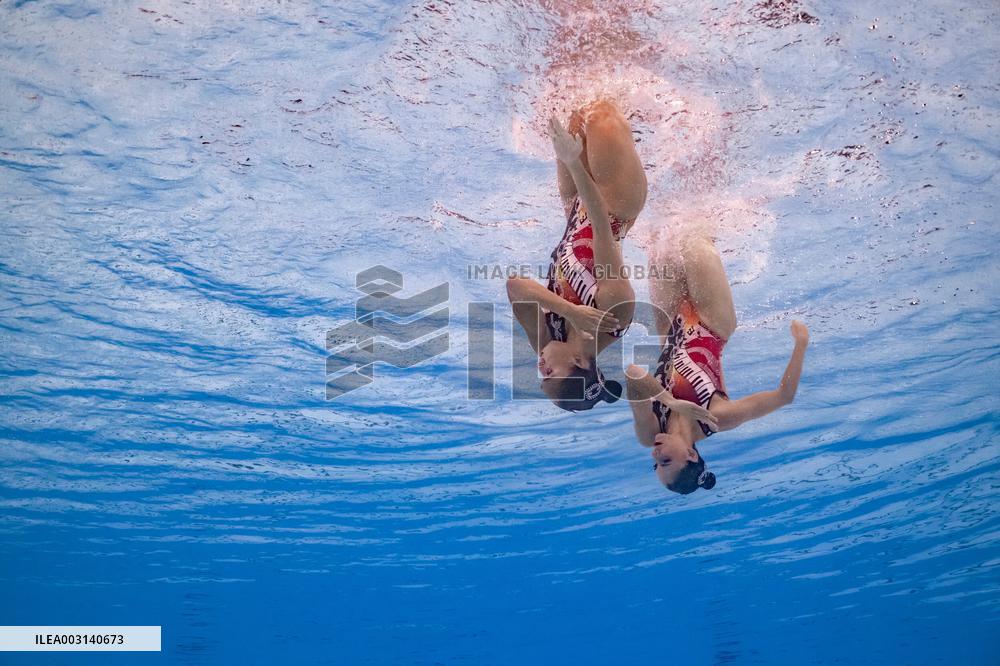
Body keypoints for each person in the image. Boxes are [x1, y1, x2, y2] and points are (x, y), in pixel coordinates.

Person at [625, 236, 809, 493]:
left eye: (655, 466)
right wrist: (801, 343)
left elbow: (632, 375)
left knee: (661, 239)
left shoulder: (650, 433)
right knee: (693, 236)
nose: (655, 456)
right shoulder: (716, 419)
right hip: (713, 323)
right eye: (665, 461)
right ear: (690, 454)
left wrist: (671, 402)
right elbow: (784, 397)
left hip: (669, 326)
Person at [506, 100, 648, 411]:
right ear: (579, 360)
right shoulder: (613, 315)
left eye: (541, 377)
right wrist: (572, 162)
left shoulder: (547, 341)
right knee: (601, 113)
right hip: (615, 204)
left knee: (574, 105)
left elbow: (515, 285)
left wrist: (569, 312)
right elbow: (600, 224)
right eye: (549, 375)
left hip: (574, 206)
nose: (540, 366)